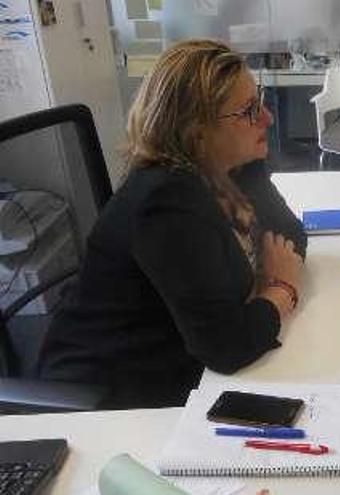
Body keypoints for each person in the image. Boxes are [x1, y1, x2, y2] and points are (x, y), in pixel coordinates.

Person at [37, 40, 307, 409]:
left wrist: (266, 287)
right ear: (196, 131)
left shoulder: (231, 164)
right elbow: (225, 347)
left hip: (186, 359)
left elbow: (291, 236)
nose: (267, 118)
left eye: (258, 101)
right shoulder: (166, 200)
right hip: (114, 397)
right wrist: (281, 288)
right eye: (248, 111)